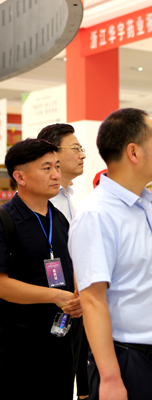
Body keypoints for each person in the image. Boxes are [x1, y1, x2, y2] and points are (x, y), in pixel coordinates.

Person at [69, 108, 152, 400]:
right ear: (134, 152)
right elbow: (93, 299)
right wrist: (109, 378)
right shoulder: (98, 213)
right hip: (127, 362)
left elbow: (147, 281)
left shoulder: (142, 204)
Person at [0, 139, 82, 398]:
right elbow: (2, 285)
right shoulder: (5, 220)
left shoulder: (60, 219)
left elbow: (72, 264)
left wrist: (78, 295)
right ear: (20, 177)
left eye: (57, 166)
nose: (56, 174)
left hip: (61, 338)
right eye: (46, 168)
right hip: (19, 344)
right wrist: (56, 295)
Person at [37, 123, 90, 400]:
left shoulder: (71, 197)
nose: (83, 155)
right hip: (47, 306)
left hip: (74, 304)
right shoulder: (40, 203)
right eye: (76, 148)